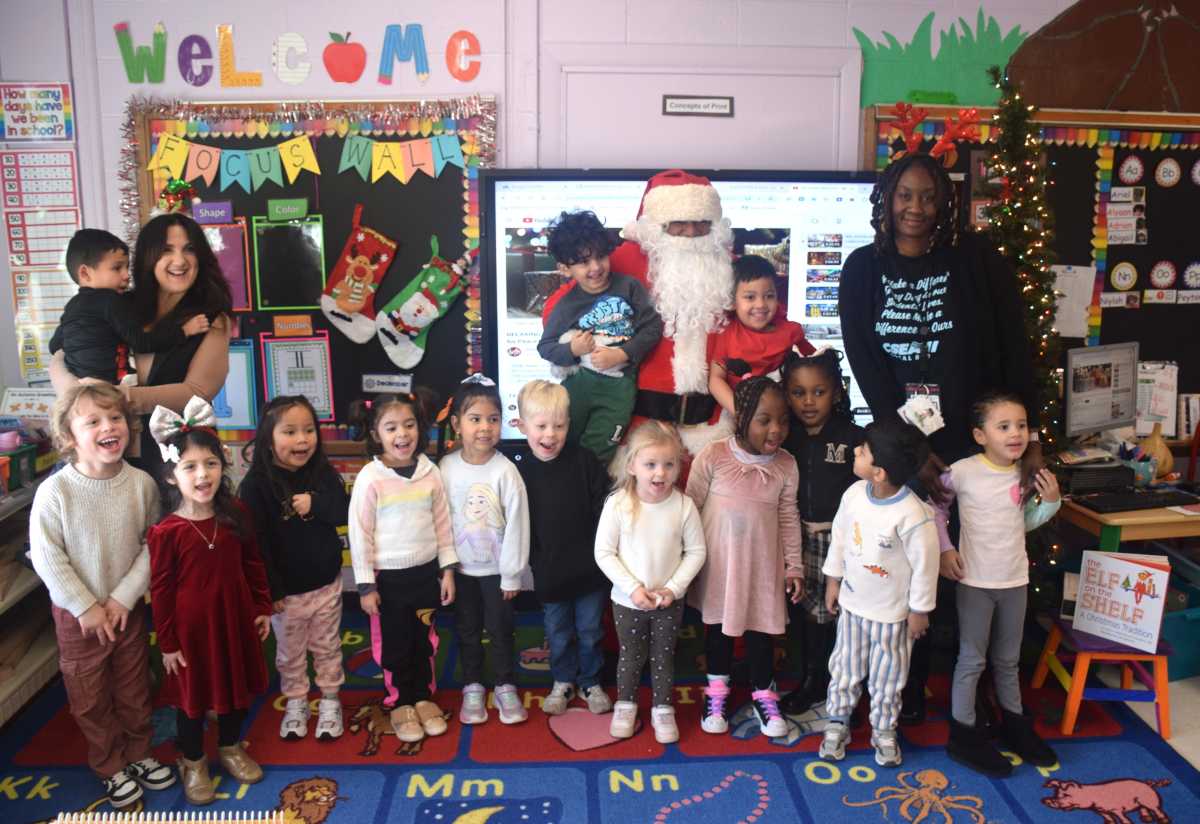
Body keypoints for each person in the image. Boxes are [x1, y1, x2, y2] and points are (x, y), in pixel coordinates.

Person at [837, 151, 1039, 721]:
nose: (916, 208)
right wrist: (908, 449)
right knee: (902, 561)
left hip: (971, 444)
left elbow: (1011, 348)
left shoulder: (976, 263)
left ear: (946, 202)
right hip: (901, 447)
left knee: (963, 570)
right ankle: (900, 692)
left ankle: (970, 693)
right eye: (905, 195)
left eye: (929, 196)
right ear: (886, 200)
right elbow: (866, 361)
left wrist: (1027, 430)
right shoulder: (861, 269)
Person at [29, 384, 176, 809]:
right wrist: (87, 607)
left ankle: (139, 753)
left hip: (126, 610)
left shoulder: (141, 484)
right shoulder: (55, 493)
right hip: (79, 618)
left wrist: (123, 599)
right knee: (89, 696)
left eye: (114, 418)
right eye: (92, 421)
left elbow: (152, 546)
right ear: (70, 437)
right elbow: (47, 558)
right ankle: (110, 764)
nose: (108, 427)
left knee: (133, 688)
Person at [543, 170, 736, 467]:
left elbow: (765, 320)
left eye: (701, 223)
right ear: (658, 225)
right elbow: (560, 306)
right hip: (638, 429)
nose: (690, 232)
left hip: (710, 428)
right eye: (679, 223)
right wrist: (583, 346)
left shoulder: (725, 265)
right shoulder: (623, 262)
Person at [146, 397, 272, 805]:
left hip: (234, 619)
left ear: (223, 465)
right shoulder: (167, 531)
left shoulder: (235, 512)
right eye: (190, 467)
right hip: (191, 631)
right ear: (171, 476)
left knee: (235, 688)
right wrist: (167, 642)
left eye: (211, 463)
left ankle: (232, 745)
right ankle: (194, 759)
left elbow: (253, 563)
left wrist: (261, 606)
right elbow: (161, 590)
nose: (203, 475)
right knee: (192, 701)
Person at [52, 213, 233, 477]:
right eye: (166, 250)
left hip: (177, 462)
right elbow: (61, 353)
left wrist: (117, 397)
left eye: (189, 250)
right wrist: (78, 393)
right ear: (148, 257)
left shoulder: (210, 320)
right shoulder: (116, 305)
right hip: (108, 459)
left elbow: (197, 391)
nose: (180, 261)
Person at [938, 391, 1061, 776]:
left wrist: (1052, 502)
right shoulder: (962, 471)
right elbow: (934, 507)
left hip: (1015, 581)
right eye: (1004, 426)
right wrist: (944, 550)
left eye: (1021, 426)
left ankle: (1015, 727)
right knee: (972, 659)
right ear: (980, 435)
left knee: (1008, 661)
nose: (1015, 434)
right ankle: (964, 735)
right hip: (974, 582)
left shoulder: (1024, 473)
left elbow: (1022, 523)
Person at [686, 377, 803, 738]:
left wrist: (794, 565)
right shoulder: (715, 455)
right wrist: (684, 559)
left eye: (783, 420)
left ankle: (763, 692)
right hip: (720, 567)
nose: (776, 429)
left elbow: (787, 516)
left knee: (761, 633)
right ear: (742, 419)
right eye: (764, 420)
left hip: (763, 569)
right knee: (718, 630)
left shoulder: (786, 465)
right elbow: (689, 507)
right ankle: (717, 690)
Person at [818, 418, 939, 768]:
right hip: (853, 608)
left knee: (889, 677)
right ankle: (837, 720)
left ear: (879, 472)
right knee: (843, 667)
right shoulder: (853, 495)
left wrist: (920, 610)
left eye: (863, 451)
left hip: (892, 616)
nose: (855, 451)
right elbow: (839, 538)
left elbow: (926, 567)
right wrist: (833, 580)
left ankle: (884, 728)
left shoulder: (914, 515)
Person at [347, 390, 457, 744]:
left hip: (425, 575)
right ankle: (400, 702)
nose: (402, 434)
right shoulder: (370, 477)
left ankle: (423, 697)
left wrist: (448, 570)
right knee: (394, 644)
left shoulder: (430, 472)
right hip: (386, 581)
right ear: (376, 433)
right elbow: (360, 534)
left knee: (425, 640)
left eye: (409, 425)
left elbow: (443, 524)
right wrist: (365, 585)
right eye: (391, 427)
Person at [238, 396, 350, 742]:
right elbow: (256, 546)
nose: (302, 440)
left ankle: (330, 699)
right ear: (268, 439)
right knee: (290, 654)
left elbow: (345, 511)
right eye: (290, 432)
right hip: (285, 595)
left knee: (328, 646)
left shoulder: (322, 473)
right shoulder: (256, 487)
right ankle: (297, 701)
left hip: (325, 585)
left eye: (309, 430)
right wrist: (271, 592)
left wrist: (316, 503)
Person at [595, 421, 707, 743]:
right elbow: (604, 553)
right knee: (631, 655)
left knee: (663, 656)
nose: (660, 473)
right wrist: (633, 588)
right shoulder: (618, 504)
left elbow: (696, 552)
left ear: (678, 466)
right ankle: (626, 705)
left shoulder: (683, 505)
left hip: (668, 602)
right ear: (632, 465)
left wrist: (673, 588)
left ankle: (663, 708)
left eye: (668, 464)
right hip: (628, 601)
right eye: (650, 465)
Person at [512, 380, 613, 716]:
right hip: (551, 571)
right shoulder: (520, 471)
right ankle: (562, 680)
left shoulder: (584, 461)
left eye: (559, 425)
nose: (550, 435)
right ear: (522, 425)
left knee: (589, 630)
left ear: (569, 424)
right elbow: (516, 523)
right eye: (541, 426)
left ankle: (591, 680)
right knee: (557, 632)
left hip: (591, 570)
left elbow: (606, 507)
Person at [439, 375, 531, 726]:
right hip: (461, 572)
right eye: (475, 419)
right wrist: (446, 568)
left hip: (497, 574)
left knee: (500, 629)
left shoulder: (506, 471)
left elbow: (518, 525)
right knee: (465, 630)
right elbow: (441, 521)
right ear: (456, 424)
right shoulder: (446, 468)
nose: (484, 428)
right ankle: (473, 685)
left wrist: (512, 573)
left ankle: (505, 684)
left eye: (493, 419)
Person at [778, 350, 866, 714]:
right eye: (798, 392)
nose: (809, 402)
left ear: (837, 392)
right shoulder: (784, 437)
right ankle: (814, 679)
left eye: (819, 392)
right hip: (799, 538)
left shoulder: (854, 438)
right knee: (810, 615)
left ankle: (852, 687)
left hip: (845, 543)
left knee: (848, 616)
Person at [539, 211, 663, 462]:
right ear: (565, 268)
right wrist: (572, 349)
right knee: (564, 444)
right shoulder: (566, 305)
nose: (595, 267)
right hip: (579, 385)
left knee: (600, 451)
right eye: (584, 262)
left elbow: (652, 328)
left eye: (600, 256)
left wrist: (622, 353)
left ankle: (594, 496)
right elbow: (546, 347)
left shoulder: (629, 287)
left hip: (618, 388)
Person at [49, 229, 210, 384]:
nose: (126, 275)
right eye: (117, 268)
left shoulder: (72, 306)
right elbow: (141, 343)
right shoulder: (110, 301)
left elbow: (55, 345)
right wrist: (185, 331)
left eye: (127, 267)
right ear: (85, 273)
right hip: (107, 389)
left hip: (78, 387)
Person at [708, 254, 814, 417]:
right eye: (750, 297)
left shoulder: (791, 332)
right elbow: (716, 380)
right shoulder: (727, 334)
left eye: (769, 296)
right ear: (733, 301)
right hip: (739, 417)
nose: (761, 305)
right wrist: (743, 414)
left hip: (785, 416)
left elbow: (815, 366)